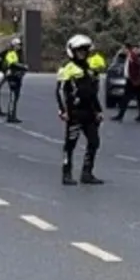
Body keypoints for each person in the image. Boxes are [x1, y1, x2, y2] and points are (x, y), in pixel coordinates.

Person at [56, 34, 104, 185]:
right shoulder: (67, 68)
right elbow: (59, 91)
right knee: (70, 144)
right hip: (74, 113)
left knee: (94, 142)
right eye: (79, 51)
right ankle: (66, 173)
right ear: (72, 51)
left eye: (84, 51)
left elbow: (92, 92)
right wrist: (63, 110)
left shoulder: (89, 69)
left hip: (89, 112)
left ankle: (87, 173)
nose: (82, 53)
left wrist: (98, 110)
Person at [112, 43, 140, 122]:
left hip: (133, 81)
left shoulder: (132, 56)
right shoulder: (130, 56)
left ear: (127, 48)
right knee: (138, 98)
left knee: (128, 99)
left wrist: (136, 78)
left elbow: (138, 66)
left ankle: (121, 116)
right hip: (131, 80)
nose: (123, 50)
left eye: (124, 49)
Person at [2, 38, 27, 123]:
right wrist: (23, 67)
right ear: (14, 45)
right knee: (13, 96)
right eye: (18, 45)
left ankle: (13, 115)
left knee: (16, 96)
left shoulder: (19, 54)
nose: (19, 46)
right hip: (12, 76)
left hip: (17, 76)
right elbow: (12, 63)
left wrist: (23, 70)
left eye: (20, 45)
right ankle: (10, 115)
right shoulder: (11, 53)